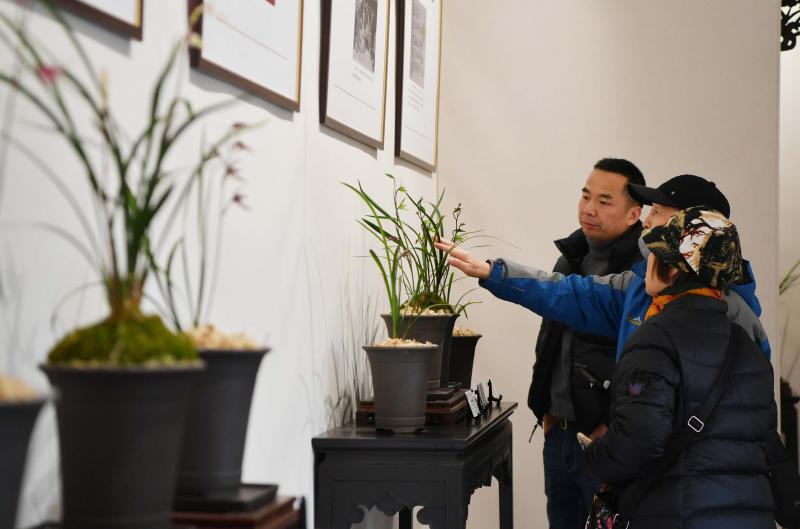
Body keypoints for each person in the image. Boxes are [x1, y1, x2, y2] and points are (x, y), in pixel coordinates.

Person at [433, 174, 770, 360]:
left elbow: (745, 415)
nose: (646, 220)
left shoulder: (733, 316)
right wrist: (495, 272)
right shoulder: (638, 286)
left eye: (656, 212)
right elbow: (571, 293)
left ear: (689, 226)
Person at [584, 206, 775, 529]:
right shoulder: (745, 346)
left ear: (672, 270)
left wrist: (595, 455)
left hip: (676, 516)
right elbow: (767, 443)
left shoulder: (654, 340)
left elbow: (638, 442)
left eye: (655, 256)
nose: (648, 263)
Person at [527, 158, 646, 529]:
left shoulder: (641, 273)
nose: (589, 208)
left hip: (605, 442)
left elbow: (644, 364)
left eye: (604, 201)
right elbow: (549, 342)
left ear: (634, 214)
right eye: (585, 196)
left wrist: (611, 428)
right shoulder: (569, 259)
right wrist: (547, 413)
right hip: (558, 434)